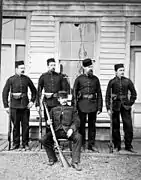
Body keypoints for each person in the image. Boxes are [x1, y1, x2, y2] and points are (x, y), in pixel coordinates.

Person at [40, 91, 82, 171]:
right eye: (62, 98)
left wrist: (72, 129)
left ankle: (75, 162)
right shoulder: (53, 110)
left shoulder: (72, 109)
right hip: (56, 132)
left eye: (65, 98)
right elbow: (48, 123)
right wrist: (48, 123)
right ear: (58, 99)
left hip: (68, 132)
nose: (64, 100)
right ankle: (52, 158)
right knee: (43, 139)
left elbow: (77, 121)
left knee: (78, 137)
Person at [2, 60, 37, 150]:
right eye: (21, 68)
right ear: (16, 69)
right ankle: (16, 143)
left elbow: (34, 91)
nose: (23, 70)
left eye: (23, 68)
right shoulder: (11, 79)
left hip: (25, 106)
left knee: (25, 125)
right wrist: (6, 106)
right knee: (16, 126)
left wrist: (32, 102)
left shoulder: (27, 79)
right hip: (14, 107)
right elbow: (5, 93)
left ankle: (25, 143)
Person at [72, 58, 103, 152]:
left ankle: (91, 145)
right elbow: (74, 93)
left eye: (91, 66)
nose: (90, 68)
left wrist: (99, 106)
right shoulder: (79, 79)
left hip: (93, 105)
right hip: (82, 105)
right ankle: (81, 144)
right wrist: (74, 106)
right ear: (84, 67)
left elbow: (99, 93)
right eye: (89, 67)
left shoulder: (96, 79)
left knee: (92, 126)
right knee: (81, 126)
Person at [105, 63, 137, 152]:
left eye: (123, 70)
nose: (122, 72)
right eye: (120, 70)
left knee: (128, 126)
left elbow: (134, 94)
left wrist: (130, 103)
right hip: (115, 107)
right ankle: (117, 145)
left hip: (125, 106)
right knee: (115, 127)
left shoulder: (127, 81)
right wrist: (108, 108)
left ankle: (128, 145)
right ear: (116, 72)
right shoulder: (112, 82)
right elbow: (107, 96)